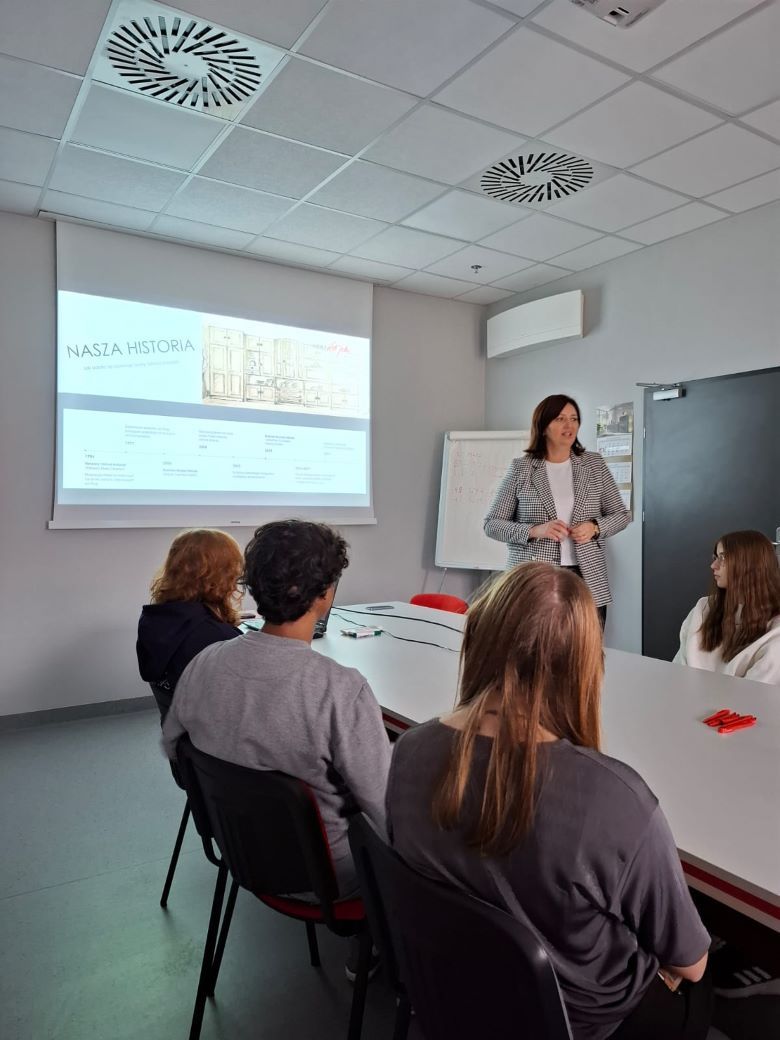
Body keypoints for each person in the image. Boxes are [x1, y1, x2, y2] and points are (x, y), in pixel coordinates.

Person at [387, 563, 712, 1040]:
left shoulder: (408, 751)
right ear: (586, 664)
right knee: (699, 989)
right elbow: (692, 963)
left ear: (477, 640)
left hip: (451, 993)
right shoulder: (616, 800)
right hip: (577, 1022)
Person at [161, 519, 392, 908]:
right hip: (333, 880)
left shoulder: (203, 662)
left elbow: (174, 750)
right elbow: (387, 813)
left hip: (239, 854)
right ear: (325, 594)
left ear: (252, 586)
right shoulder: (341, 689)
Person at [484, 394, 630, 625]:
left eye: (574, 419)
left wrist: (594, 527)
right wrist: (535, 530)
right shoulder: (522, 469)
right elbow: (492, 524)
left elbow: (622, 515)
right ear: (543, 427)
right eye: (560, 419)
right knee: (536, 642)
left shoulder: (594, 464)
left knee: (587, 643)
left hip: (586, 576)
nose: (569, 425)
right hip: (535, 576)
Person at [137, 528, 244, 721]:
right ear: (223, 575)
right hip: (212, 734)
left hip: (177, 728)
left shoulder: (154, 618)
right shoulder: (219, 638)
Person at [674, 530, 780, 685]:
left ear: (750, 564)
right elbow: (677, 671)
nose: (713, 566)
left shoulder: (776, 632)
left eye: (723, 558)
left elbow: (754, 694)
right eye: (715, 557)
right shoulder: (703, 609)